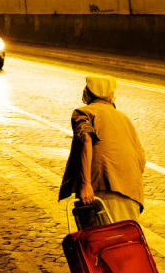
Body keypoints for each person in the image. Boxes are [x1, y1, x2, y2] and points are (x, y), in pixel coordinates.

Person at [59, 75, 145, 225]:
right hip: (132, 193)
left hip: (101, 188)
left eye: (86, 89)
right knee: (124, 243)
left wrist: (85, 184)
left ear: (90, 93)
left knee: (99, 242)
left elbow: (86, 139)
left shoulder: (84, 112)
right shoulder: (124, 118)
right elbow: (141, 158)